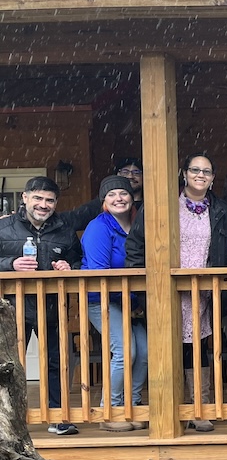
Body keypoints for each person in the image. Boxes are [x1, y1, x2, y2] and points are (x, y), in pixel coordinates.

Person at [127, 153, 227, 432]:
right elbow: (136, 245)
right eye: (195, 170)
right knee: (167, 348)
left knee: (198, 348)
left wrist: (221, 286)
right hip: (165, 290)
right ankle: (168, 408)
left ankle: (199, 408)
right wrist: (142, 286)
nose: (200, 175)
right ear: (184, 174)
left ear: (213, 178)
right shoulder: (162, 206)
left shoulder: (223, 212)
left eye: (206, 171)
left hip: (203, 293)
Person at [0, 177, 82, 435]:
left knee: (56, 363)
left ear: (56, 203)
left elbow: (79, 261)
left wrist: (69, 267)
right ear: (25, 198)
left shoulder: (65, 230)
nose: (43, 205)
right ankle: (8, 423)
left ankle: (58, 418)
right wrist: (10, 264)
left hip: (52, 308)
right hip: (12, 310)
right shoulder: (4, 228)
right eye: (38, 198)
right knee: (9, 366)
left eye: (49, 200)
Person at [80, 175, 147, 432]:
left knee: (145, 352)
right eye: (112, 195)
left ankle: (132, 406)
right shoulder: (98, 227)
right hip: (102, 299)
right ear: (104, 201)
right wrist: (132, 302)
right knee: (125, 351)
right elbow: (101, 275)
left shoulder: (138, 224)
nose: (119, 198)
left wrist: (135, 302)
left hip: (131, 300)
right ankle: (110, 410)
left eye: (123, 193)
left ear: (132, 197)